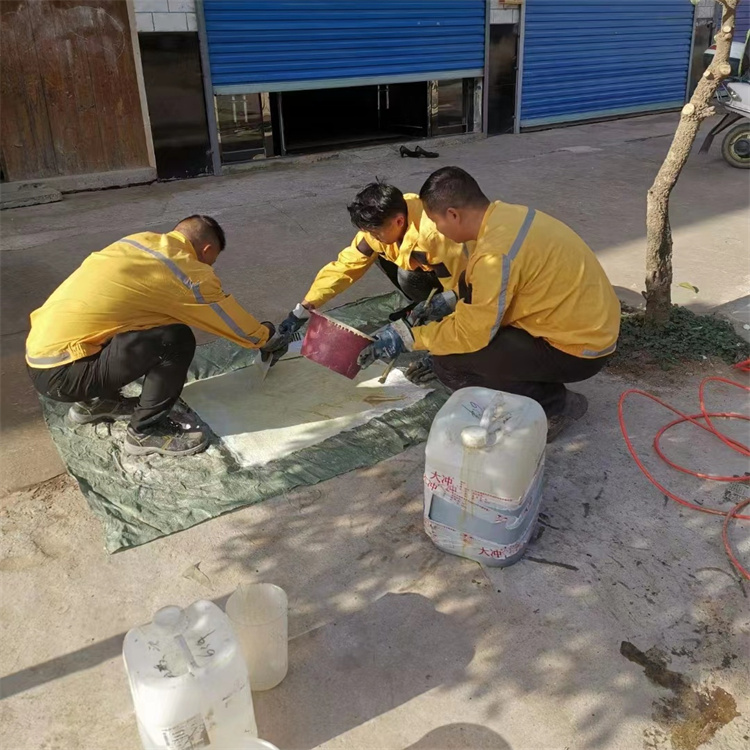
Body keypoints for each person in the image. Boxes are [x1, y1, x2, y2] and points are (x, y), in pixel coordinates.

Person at [358, 167, 621, 441]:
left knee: (448, 360)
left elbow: (472, 334)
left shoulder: (493, 255)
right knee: (459, 339)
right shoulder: (509, 216)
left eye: (436, 222)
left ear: (453, 215)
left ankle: (555, 406)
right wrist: (450, 301)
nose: (436, 230)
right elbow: (487, 294)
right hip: (589, 328)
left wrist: (409, 338)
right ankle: (543, 389)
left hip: (579, 350)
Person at [26, 215, 288, 457]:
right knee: (175, 340)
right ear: (207, 251)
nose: (210, 267)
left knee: (136, 321)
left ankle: (99, 403)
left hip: (44, 358)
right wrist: (267, 338)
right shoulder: (187, 272)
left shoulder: (138, 242)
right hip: (65, 375)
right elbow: (227, 319)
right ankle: (145, 431)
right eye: (212, 261)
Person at [276, 181, 466, 335]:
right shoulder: (379, 230)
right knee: (375, 253)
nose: (372, 238)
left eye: (375, 233)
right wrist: (304, 309)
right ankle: (421, 304)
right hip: (429, 270)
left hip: (459, 278)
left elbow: (464, 286)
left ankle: (433, 311)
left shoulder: (435, 236)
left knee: (408, 277)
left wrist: (441, 333)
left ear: (399, 221)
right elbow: (345, 267)